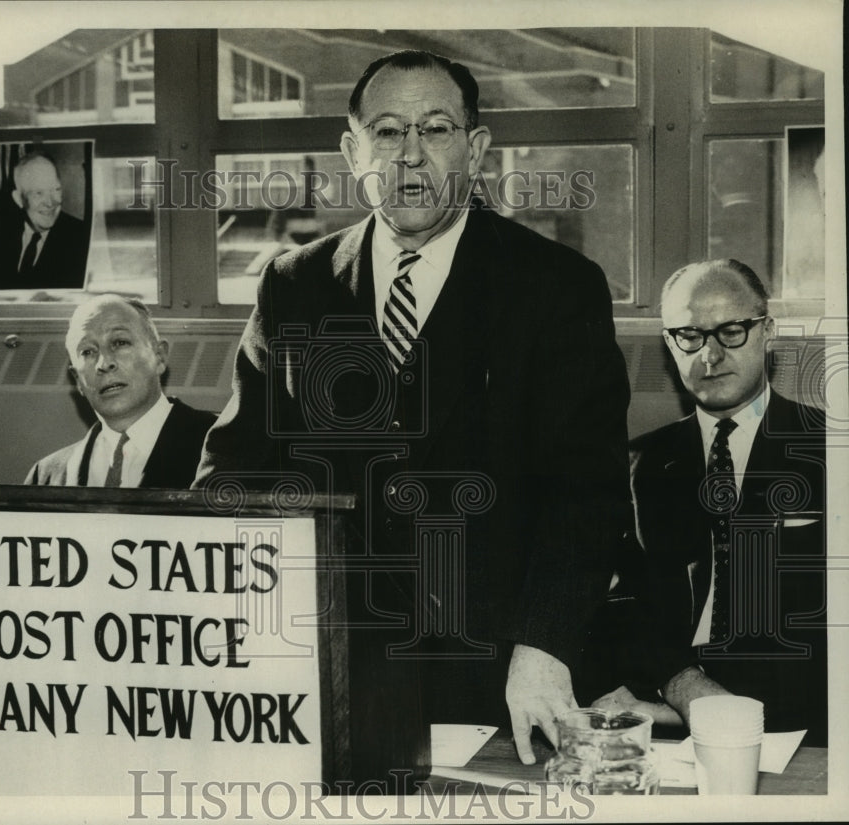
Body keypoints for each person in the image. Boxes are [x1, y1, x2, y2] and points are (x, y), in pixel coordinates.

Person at [192, 50, 631, 764]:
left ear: (478, 148)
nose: (412, 156)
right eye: (389, 132)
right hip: (332, 673)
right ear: (351, 151)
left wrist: (545, 645)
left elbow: (588, 494)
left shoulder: (555, 286)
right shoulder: (294, 284)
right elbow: (231, 475)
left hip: (506, 675)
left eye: (437, 129)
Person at [591, 259, 827, 744]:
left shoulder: (830, 450)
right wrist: (682, 690)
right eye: (690, 336)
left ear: (769, 331)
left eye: (732, 331)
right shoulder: (638, 464)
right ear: (669, 343)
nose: (711, 356)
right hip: (663, 710)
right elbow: (620, 608)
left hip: (804, 724)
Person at [26, 294, 217, 488]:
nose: (105, 363)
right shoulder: (45, 476)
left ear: (159, 357)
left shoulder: (225, 446)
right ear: (78, 381)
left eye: (119, 343)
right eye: (88, 352)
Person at [0, 153, 90, 291]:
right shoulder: (0, 238)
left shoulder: (81, 239)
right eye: (38, 193)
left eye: (56, 190)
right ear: (18, 199)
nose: (50, 202)